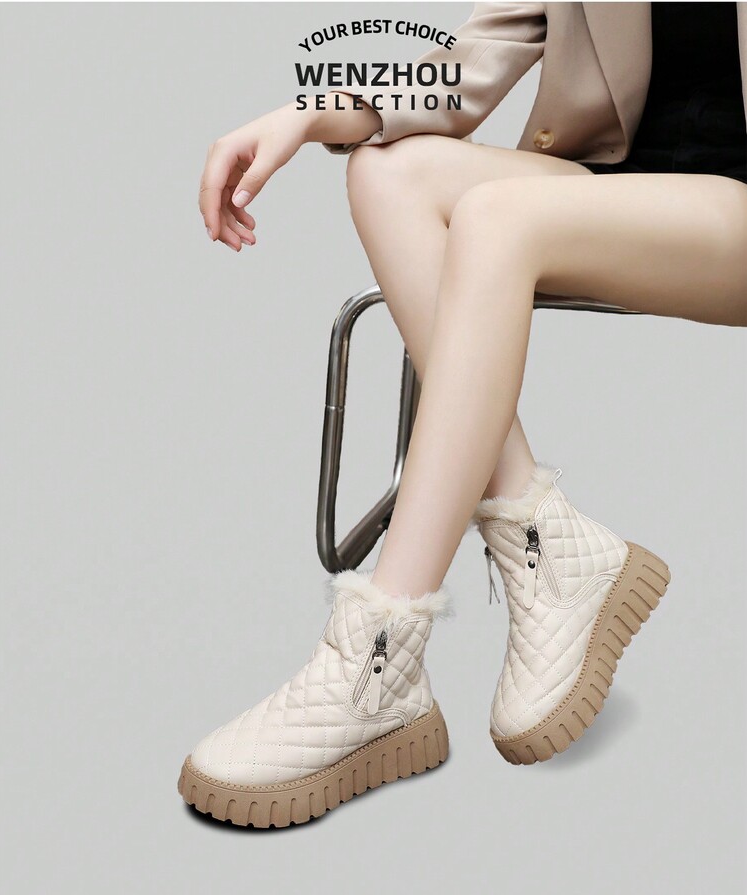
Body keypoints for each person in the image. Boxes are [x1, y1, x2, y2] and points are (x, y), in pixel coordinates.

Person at [180, 3, 747, 827]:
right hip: (616, 192)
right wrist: (305, 112)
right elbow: (470, 64)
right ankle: (544, 544)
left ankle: (378, 651)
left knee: (494, 215)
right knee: (389, 170)